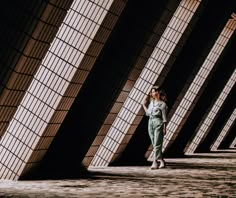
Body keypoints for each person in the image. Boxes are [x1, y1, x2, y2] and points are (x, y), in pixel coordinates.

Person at [142, 86, 168, 169]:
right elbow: (148, 113)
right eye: (153, 92)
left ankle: (154, 162)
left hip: (158, 123)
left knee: (157, 143)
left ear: (159, 93)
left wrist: (164, 127)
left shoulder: (163, 104)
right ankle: (162, 161)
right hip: (150, 122)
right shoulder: (151, 103)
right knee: (154, 143)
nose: (154, 93)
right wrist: (143, 105)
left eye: (155, 91)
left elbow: (164, 117)